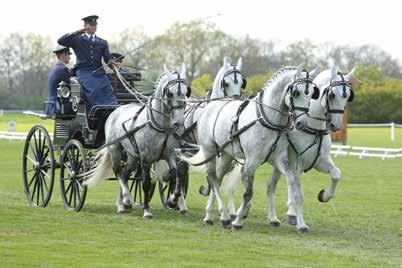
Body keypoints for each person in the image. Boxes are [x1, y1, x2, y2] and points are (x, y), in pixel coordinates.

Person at [57, 15, 117, 113]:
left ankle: (109, 112)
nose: (94, 27)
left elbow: (107, 59)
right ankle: (94, 113)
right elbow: (61, 40)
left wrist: (112, 64)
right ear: (85, 25)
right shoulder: (77, 39)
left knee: (107, 89)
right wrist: (79, 31)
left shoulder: (102, 42)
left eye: (95, 25)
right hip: (83, 72)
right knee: (93, 90)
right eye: (91, 25)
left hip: (99, 72)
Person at [45, 45, 72, 116]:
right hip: (59, 106)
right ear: (63, 55)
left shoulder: (55, 68)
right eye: (68, 54)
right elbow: (71, 86)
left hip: (51, 104)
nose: (70, 57)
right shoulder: (63, 69)